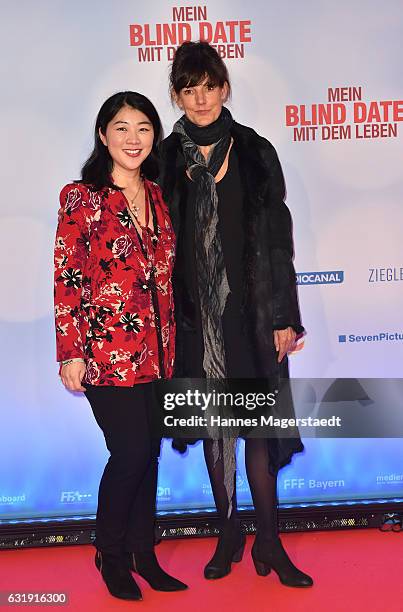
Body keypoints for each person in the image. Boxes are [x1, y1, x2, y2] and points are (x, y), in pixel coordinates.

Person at [159, 41, 313, 587]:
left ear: (225, 88)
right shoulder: (163, 158)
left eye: (208, 85)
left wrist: (284, 316)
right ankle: (229, 534)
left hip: (251, 318)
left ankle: (269, 541)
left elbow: (277, 241)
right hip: (196, 323)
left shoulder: (254, 150)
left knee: (256, 433)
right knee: (216, 429)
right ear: (177, 95)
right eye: (188, 88)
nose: (199, 98)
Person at [54, 91, 187, 600]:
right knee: (130, 452)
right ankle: (110, 555)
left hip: (158, 350)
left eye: (144, 128)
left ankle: (144, 554)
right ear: (103, 135)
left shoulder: (157, 194)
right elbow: (67, 277)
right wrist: (70, 351)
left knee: (148, 454)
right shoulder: (81, 196)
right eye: (122, 128)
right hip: (105, 352)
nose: (134, 139)